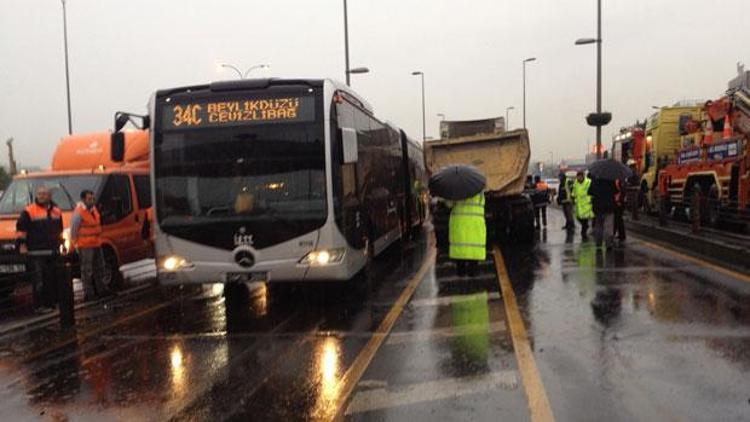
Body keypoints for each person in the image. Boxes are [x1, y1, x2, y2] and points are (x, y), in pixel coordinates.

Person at [16, 185, 63, 314]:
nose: (41, 196)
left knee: (51, 278)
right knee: (39, 280)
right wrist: (22, 245)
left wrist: (60, 244)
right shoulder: (29, 211)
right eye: (39, 194)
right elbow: (21, 230)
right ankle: (39, 306)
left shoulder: (56, 211)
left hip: (51, 251)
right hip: (36, 251)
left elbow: (59, 230)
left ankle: (51, 303)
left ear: (50, 196)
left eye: (44, 194)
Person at [71, 190, 112, 301]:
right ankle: (89, 293)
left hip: (96, 243)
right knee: (87, 270)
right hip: (85, 245)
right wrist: (75, 243)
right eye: (89, 199)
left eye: (93, 198)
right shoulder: (79, 212)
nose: (92, 201)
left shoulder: (93, 210)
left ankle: (102, 289)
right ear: (83, 199)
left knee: (100, 267)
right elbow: (74, 228)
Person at [449, 192, 487, 277]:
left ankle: (461, 272)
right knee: (474, 249)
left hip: (460, 224)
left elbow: (449, 204)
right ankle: (473, 272)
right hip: (475, 224)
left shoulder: (457, 191)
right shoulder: (479, 191)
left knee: (460, 250)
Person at [588, 177, 618, 249]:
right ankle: (608, 243)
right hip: (609, 206)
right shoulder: (610, 180)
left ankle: (598, 243)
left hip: (598, 207)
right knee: (608, 225)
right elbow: (615, 191)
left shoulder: (594, 181)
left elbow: (589, 192)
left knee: (598, 225)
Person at [570, 171, 594, 240]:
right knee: (579, 217)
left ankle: (584, 231)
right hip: (579, 203)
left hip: (587, 203)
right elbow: (574, 191)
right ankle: (585, 226)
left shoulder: (588, 182)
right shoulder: (576, 183)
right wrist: (573, 197)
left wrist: (591, 198)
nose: (579, 178)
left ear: (583, 176)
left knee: (585, 218)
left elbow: (592, 191)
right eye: (578, 176)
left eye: (580, 176)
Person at [613, 178, 626, 242]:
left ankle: (620, 235)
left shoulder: (620, 181)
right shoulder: (616, 181)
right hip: (616, 202)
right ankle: (620, 234)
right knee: (617, 219)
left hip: (619, 203)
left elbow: (623, 192)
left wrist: (619, 201)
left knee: (618, 219)